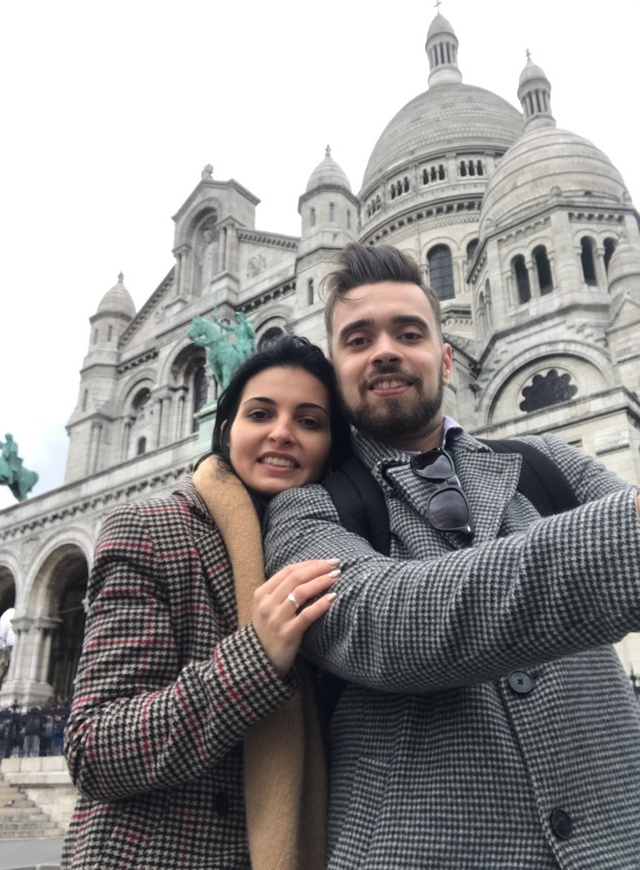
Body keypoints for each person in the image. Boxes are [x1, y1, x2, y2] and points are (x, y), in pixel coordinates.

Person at [265, 243, 640, 869]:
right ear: (334, 375)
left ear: (445, 355)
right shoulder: (305, 510)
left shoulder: (550, 462)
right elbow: (388, 625)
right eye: (358, 340)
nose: (385, 349)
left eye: (408, 333)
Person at [62, 335, 352, 870]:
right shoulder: (147, 529)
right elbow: (94, 751)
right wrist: (255, 659)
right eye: (260, 413)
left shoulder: (340, 546)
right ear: (225, 430)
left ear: (331, 447)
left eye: (310, 421)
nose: (283, 433)